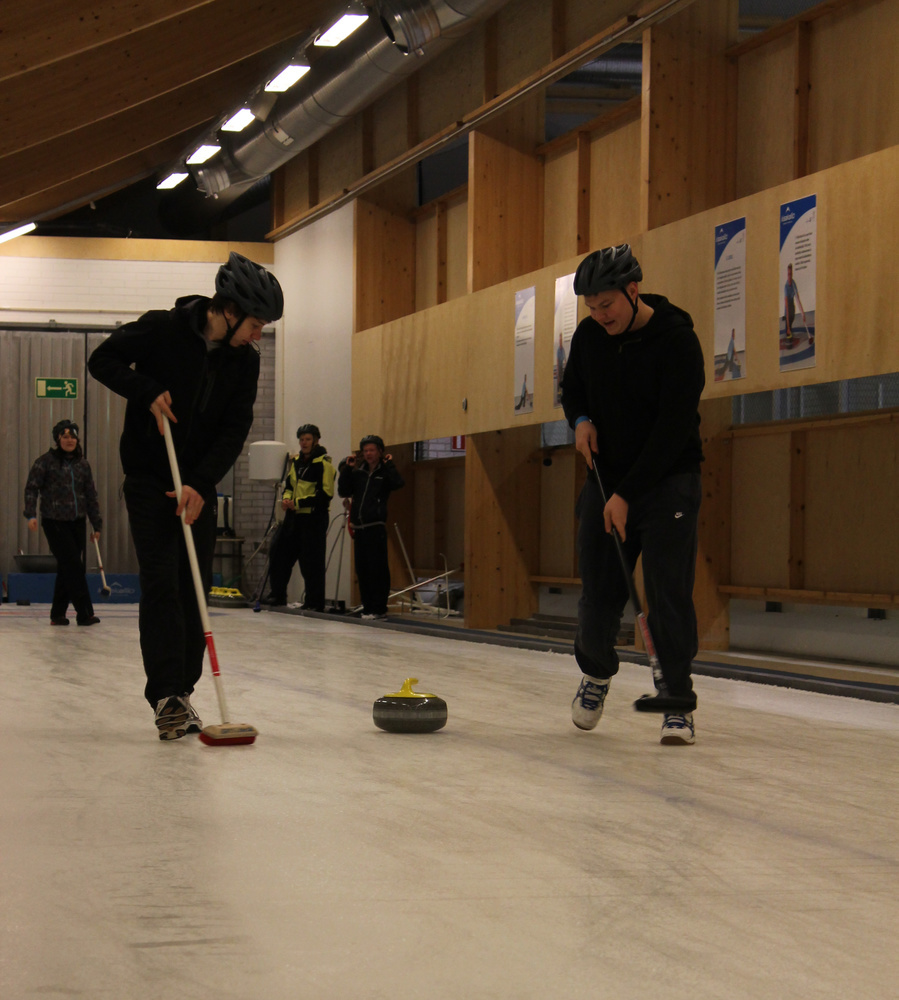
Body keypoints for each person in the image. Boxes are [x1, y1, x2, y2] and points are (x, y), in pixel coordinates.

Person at [88, 252, 283, 740]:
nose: (259, 334)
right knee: (160, 581)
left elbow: (236, 427)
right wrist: (145, 388)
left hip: (197, 482)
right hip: (149, 477)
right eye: (257, 324)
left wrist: (201, 482)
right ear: (229, 309)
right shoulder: (163, 329)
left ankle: (185, 688)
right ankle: (167, 698)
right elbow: (102, 360)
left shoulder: (245, 362)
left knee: (191, 585)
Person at [560, 243, 705, 745]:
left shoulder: (676, 341)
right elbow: (572, 387)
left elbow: (672, 430)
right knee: (599, 593)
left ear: (633, 290)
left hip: (668, 483)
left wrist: (627, 493)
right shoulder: (588, 338)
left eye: (608, 305)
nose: (600, 316)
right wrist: (578, 420)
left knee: (666, 594)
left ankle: (677, 700)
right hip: (606, 481)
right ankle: (597, 673)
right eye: (592, 308)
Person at [23, 419, 103, 626]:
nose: (69, 440)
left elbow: (90, 495)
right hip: (54, 522)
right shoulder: (45, 462)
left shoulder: (83, 465)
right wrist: (30, 514)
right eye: (65, 436)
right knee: (74, 566)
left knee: (67, 567)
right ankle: (85, 613)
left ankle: (57, 614)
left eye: (73, 436)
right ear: (58, 439)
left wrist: (96, 524)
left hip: (77, 522)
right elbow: (31, 488)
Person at [263, 424, 336, 611]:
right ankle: (278, 595)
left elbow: (325, 495)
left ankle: (314, 602)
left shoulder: (324, 464)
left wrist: (298, 503)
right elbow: (288, 485)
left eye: (308, 439)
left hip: (313, 519)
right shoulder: (296, 463)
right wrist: (286, 499)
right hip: (293, 518)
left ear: (316, 440)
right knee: (278, 552)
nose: (304, 443)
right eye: (301, 439)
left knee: (311, 561)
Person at [337, 435, 405, 619]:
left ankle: (379, 607)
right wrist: (347, 470)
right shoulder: (358, 473)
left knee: (378, 568)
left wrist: (389, 465)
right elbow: (343, 490)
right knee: (362, 569)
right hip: (359, 528)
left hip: (375, 526)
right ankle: (367, 606)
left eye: (372, 450)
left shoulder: (384, 473)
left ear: (380, 451)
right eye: (365, 451)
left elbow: (398, 483)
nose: (368, 454)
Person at [783, 263, 809, 344]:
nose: (789, 276)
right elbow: (787, 307)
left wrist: (802, 313)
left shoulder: (793, 284)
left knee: (792, 316)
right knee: (789, 318)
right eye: (788, 274)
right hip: (788, 305)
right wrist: (787, 327)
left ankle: (789, 327)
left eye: (791, 274)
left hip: (792, 303)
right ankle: (788, 331)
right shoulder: (786, 287)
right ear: (787, 275)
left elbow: (798, 299)